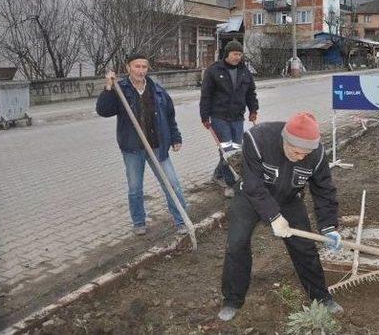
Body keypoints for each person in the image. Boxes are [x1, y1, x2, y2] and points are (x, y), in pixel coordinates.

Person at [218, 112, 343, 321]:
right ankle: (232, 299)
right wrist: (274, 217)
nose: (301, 157)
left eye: (305, 154)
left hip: (289, 198)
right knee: (236, 243)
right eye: (296, 152)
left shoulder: (317, 154)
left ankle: (321, 297)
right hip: (251, 196)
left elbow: (324, 190)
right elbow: (253, 184)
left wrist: (329, 226)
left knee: (305, 247)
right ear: (285, 140)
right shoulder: (258, 140)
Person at [96, 53, 189, 236]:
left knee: (172, 184)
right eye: (137, 66)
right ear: (128, 67)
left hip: (157, 146)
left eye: (144, 67)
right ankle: (139, 222)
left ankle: (182, 220)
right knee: (135, 187)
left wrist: (176, 137)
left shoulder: (157, 90)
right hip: (133, 148)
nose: (141, 71)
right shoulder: (120, 89)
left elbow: (170, 116)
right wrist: (108, 88)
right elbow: (103, 111)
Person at [199, 40, 259, 198]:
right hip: (219, 116)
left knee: (236, 150)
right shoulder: (214, 70)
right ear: (227, 54)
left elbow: (251, 93)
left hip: (237, 117)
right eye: (234, 54)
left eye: (240, 54)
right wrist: (204, 116)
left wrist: (253, 110)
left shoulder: (245, 72)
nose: (237, 57)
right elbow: (206, 95)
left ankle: (218, 174)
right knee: (227, 149)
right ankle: (231, 184)